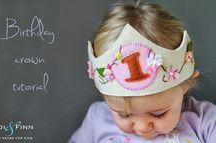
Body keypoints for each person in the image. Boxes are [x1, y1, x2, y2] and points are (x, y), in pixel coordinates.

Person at [69, 1, 216, 143]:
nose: (142, 127)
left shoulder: (205, 121)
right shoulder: (97, 120)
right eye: (124, 115)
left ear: (186, 83)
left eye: (158, 114)